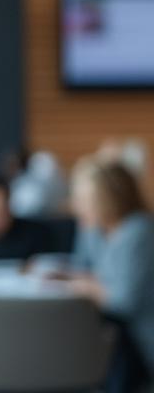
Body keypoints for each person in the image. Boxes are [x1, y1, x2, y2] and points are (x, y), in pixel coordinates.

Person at [63, 157, 154, 392]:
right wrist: (87, 227)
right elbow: (81, 267)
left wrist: (89, 287)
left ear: (109, 199)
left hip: (140, 336)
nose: (76, 206)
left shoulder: (138, 231)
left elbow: (125, 301)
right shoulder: (100, 229)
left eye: (84, 200)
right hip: (115, 331)